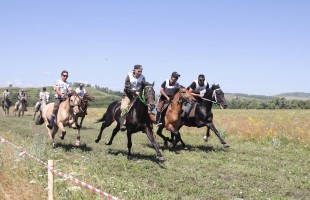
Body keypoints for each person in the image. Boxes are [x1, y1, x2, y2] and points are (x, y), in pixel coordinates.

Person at [120, 64, 146, 131]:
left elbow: (143, 87)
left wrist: (140, 93)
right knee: (124, 108)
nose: (140, 73)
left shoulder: (143, 77)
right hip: (128, 96)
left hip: (138, 97)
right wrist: (135, 92)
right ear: (134, 70)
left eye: (141, 71)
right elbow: (127, 87)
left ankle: (145, 124)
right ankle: (123, 124)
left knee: (146, 107)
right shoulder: (129, 75)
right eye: (138, 71)